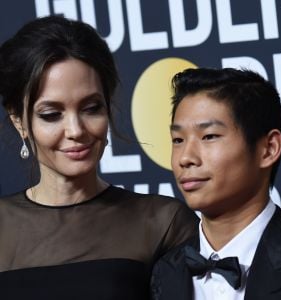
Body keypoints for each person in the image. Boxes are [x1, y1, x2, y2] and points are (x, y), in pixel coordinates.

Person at [0, 16, 199, 299]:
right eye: (51, 115)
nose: (76, 130)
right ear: (19, 121)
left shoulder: (162, 223)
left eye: (91, 108)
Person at [151, 68, 281, 300]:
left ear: (268, 149)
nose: (185, 158)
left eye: (209, 136)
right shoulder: (163, 274)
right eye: (178, 140)